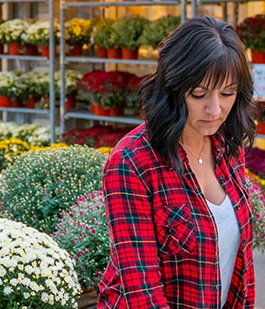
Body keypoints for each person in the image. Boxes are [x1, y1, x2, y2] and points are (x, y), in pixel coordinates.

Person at [98, 17, 256, 308]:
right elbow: (142, 292)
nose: (214, 109)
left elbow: (241, 270)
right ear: (173, 85)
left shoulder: (227, 146)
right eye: (199, 93)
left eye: (227, 93)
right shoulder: (132, 162)